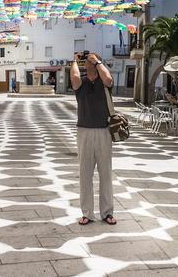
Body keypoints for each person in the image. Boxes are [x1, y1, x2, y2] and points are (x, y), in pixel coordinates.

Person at [70, 50, 116, 226]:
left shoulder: (104, 82)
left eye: (93, 60)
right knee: (85, 175)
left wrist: (96, 61)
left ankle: (107, 212)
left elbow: (109, 79)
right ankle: (87, 213)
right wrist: (74, 60)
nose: (89, 62)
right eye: (88, 60)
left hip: (104, 130)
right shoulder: (80, 81)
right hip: (84, 131)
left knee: (105, 174)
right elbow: (73, 78)